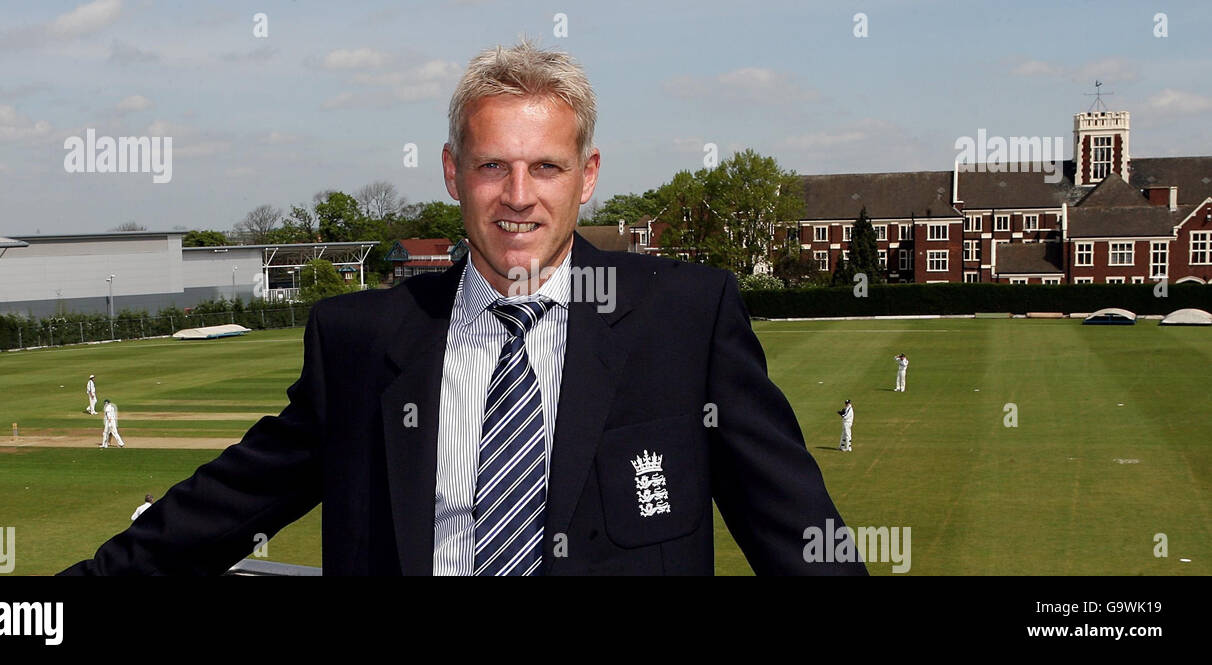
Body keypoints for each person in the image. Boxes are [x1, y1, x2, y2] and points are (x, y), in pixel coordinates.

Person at [62, 40, 864, 576]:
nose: (519, 198)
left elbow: (799, 537)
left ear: (588, 176)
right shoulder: (362, 342)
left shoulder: (684, 321)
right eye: (492, 167)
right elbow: (220, 509)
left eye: (546, 167)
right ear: (452, 173)